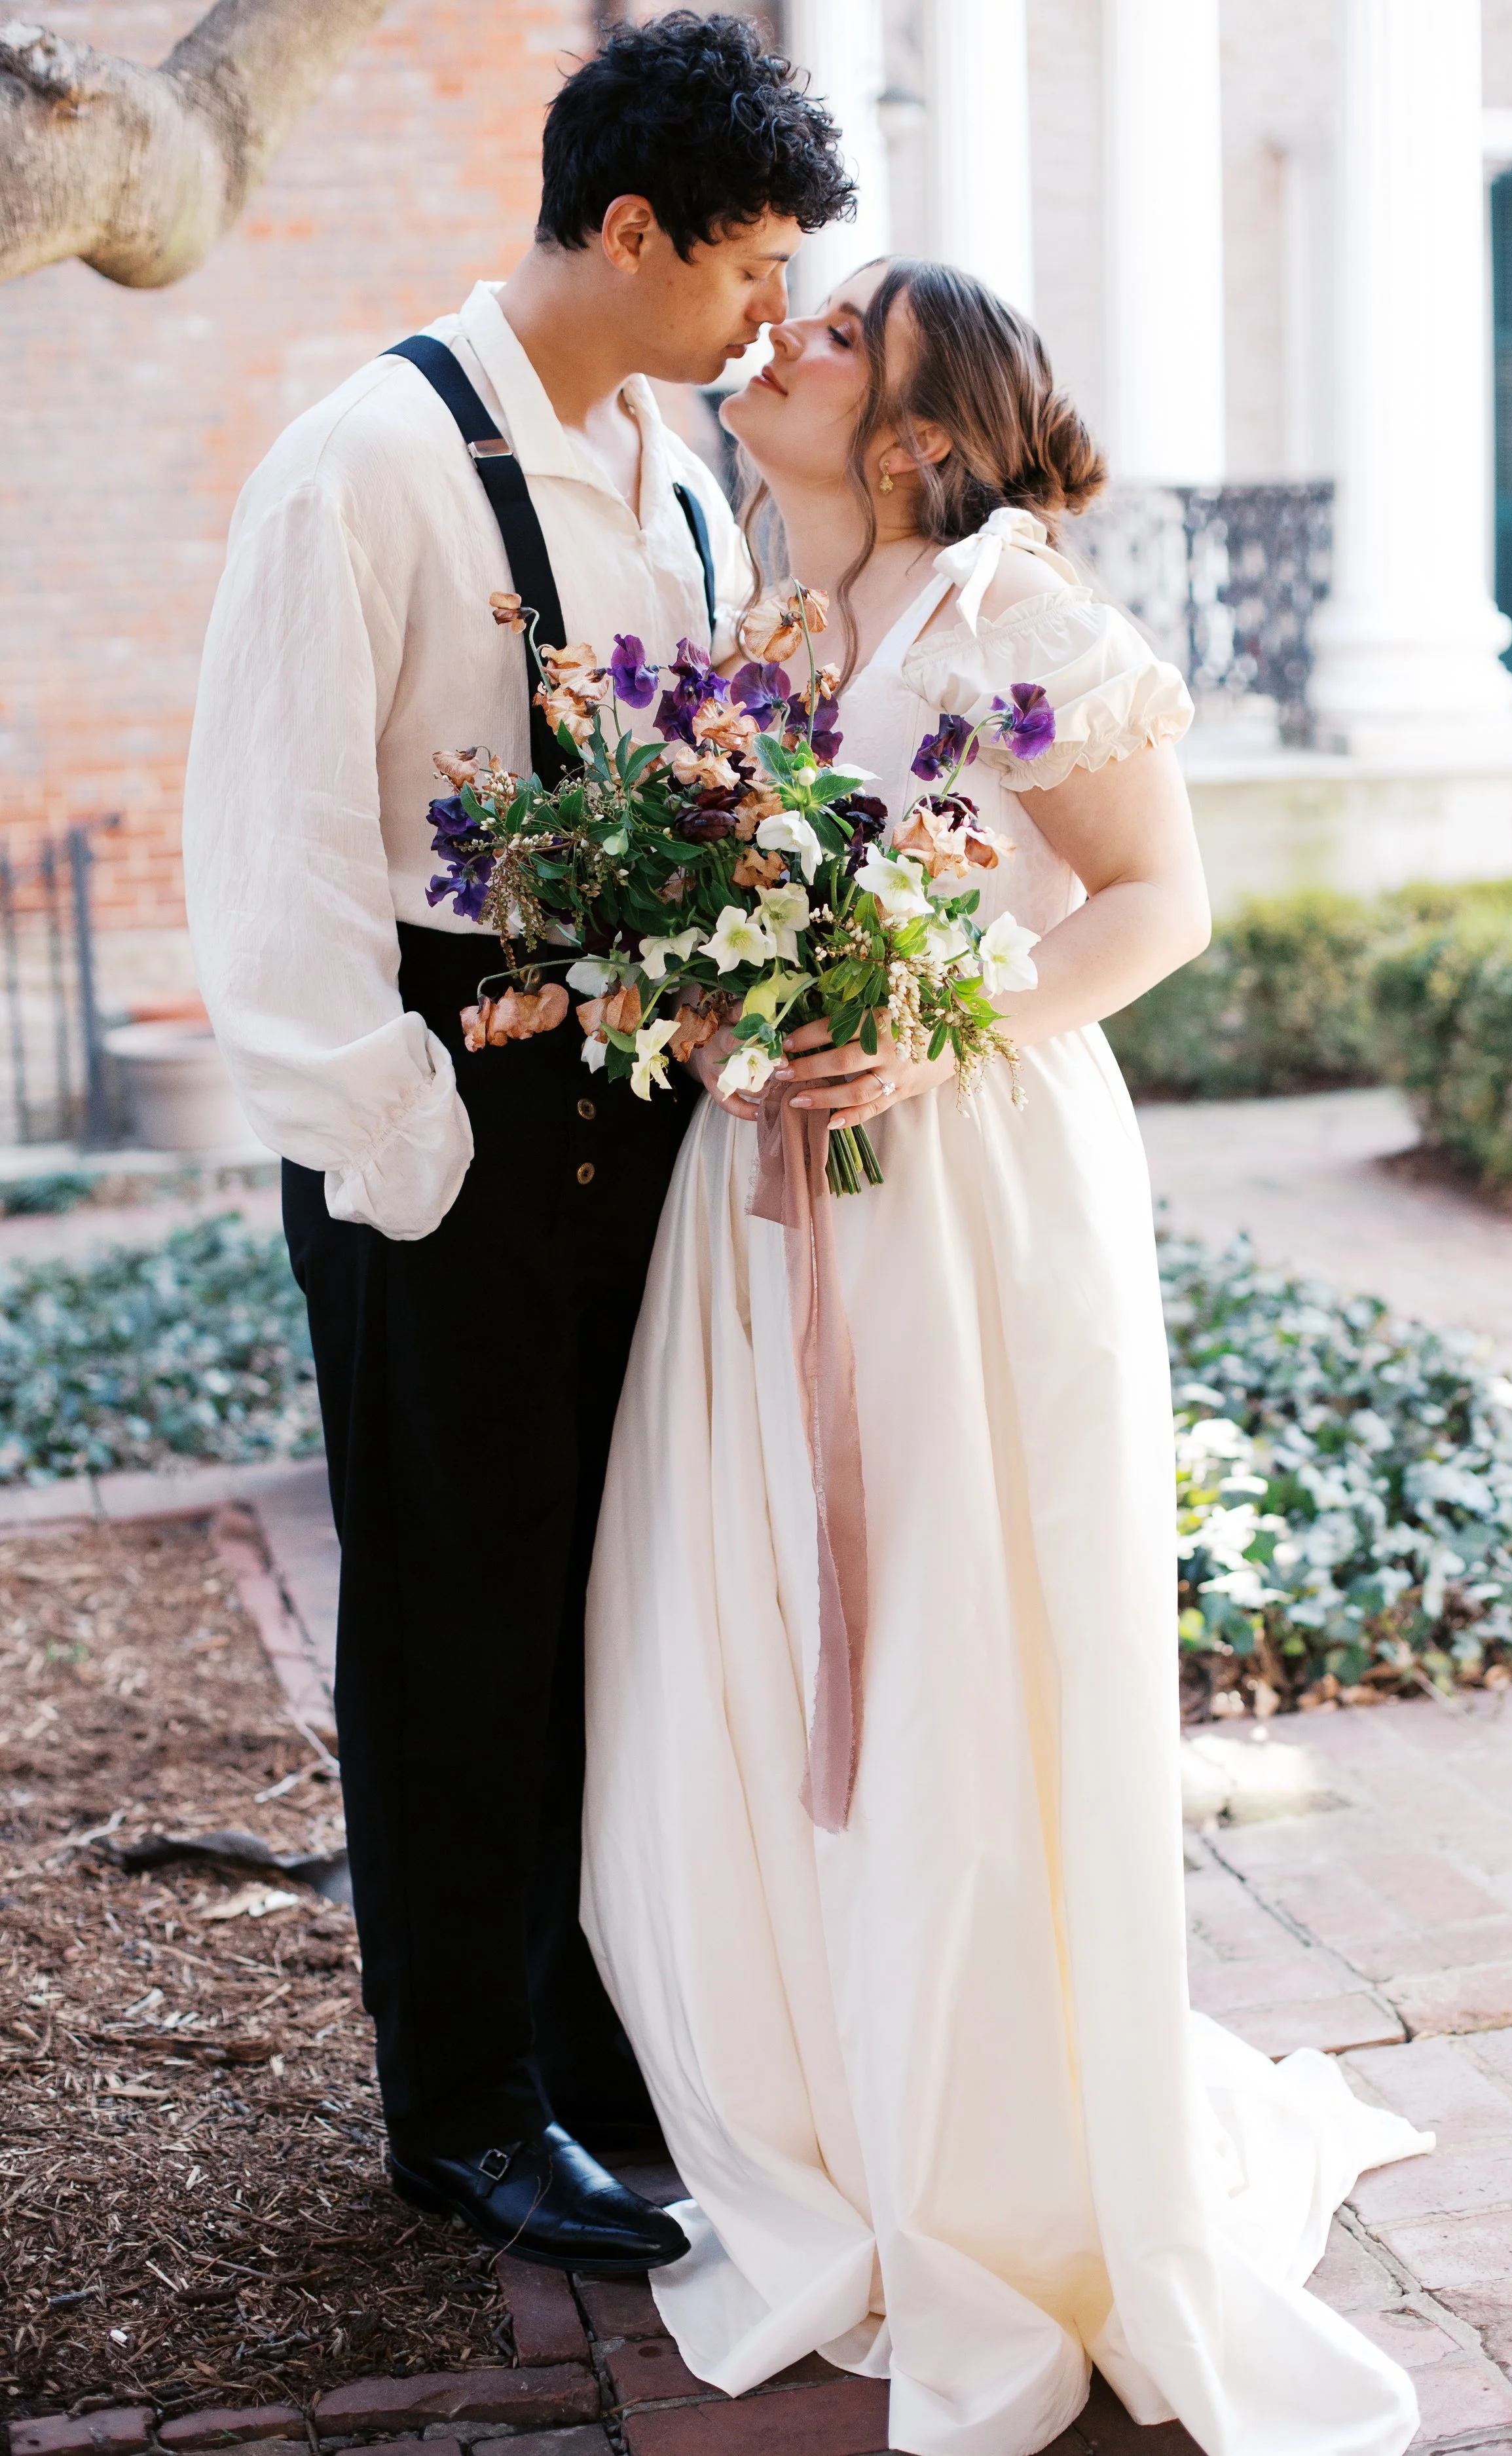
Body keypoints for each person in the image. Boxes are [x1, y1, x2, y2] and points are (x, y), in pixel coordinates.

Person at [580, 260, 1432, 2452]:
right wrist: (717, 998)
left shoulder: (1005, 614)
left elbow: (1157, 904)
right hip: (763, 1204)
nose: (780, 336)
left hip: (962, 1192)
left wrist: (938, 1030)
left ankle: (1002, 2140)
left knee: (962, 1641)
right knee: (755, 1642)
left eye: (835, 325)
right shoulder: (774, 610)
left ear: (911, 423)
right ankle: (838, 2103)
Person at [182, 14, 853, 2271]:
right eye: (750, 263)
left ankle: (591, 2047)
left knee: (620, 1589)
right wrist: (399, 1148)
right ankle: (458, 2107)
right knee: (459, 1619)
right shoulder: (362, 460)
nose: (774, 312)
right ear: (633, 227)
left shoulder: (669, 469)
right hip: (434, 1109)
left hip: (633, 1107)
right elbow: (267, 856)